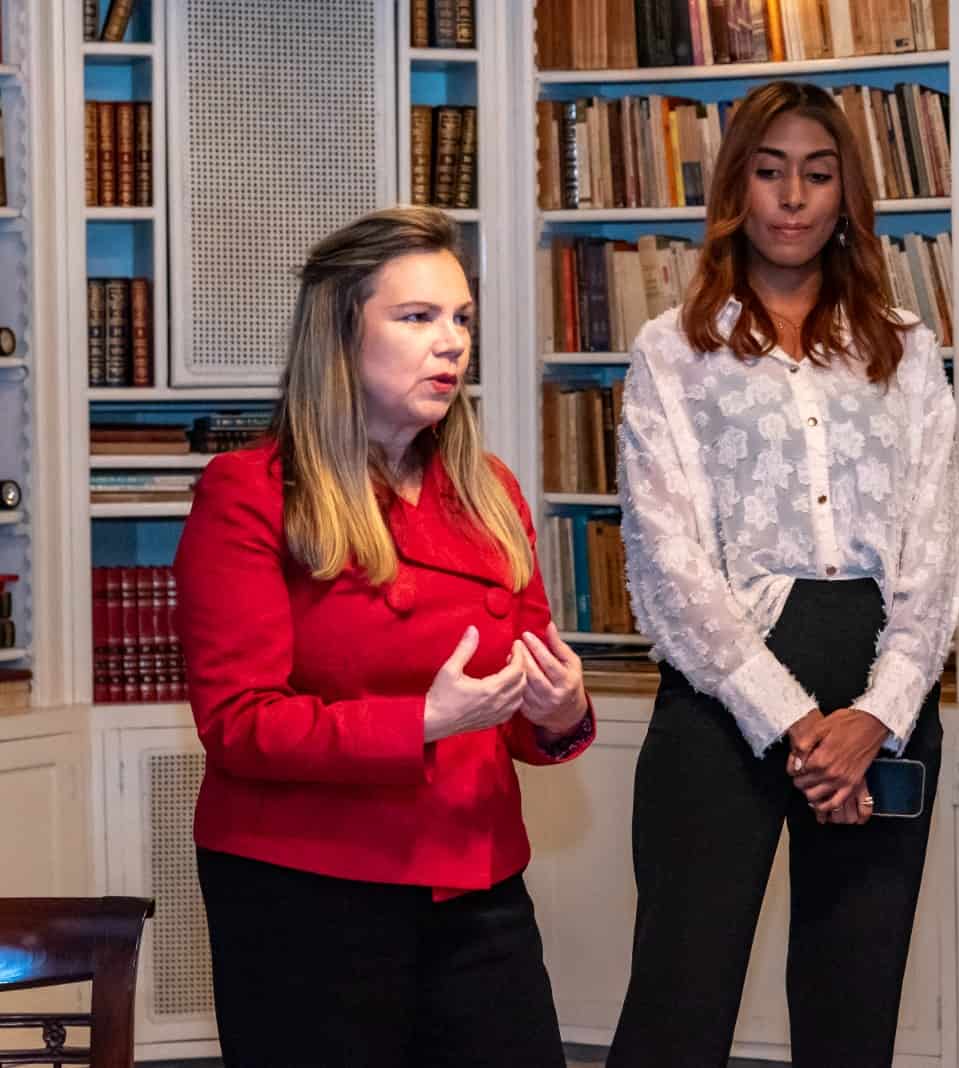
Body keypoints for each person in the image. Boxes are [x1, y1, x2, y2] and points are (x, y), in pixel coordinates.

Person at [173, 205, 594, 1068]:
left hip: (477, 882)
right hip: (306, 891)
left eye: (462, 319)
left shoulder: (492, 492)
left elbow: (523, 716)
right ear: (340, 334)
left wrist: (562, 710)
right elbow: (239, 722)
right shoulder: (249, 492)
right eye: (418, 317)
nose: (452, 344)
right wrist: (421, 722)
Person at [605, 80, 959, 1068]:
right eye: (769, 173)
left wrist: (877, 715)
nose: (793, 197)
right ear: (735, 191)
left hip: (880, 687)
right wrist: (797, 723)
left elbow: (935, 546)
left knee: (852, 1003)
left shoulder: (903, 347)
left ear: (846, 193)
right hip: (724, 690)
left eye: (816, 174)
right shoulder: (671, 352)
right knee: (680, 998)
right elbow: (668, 554)